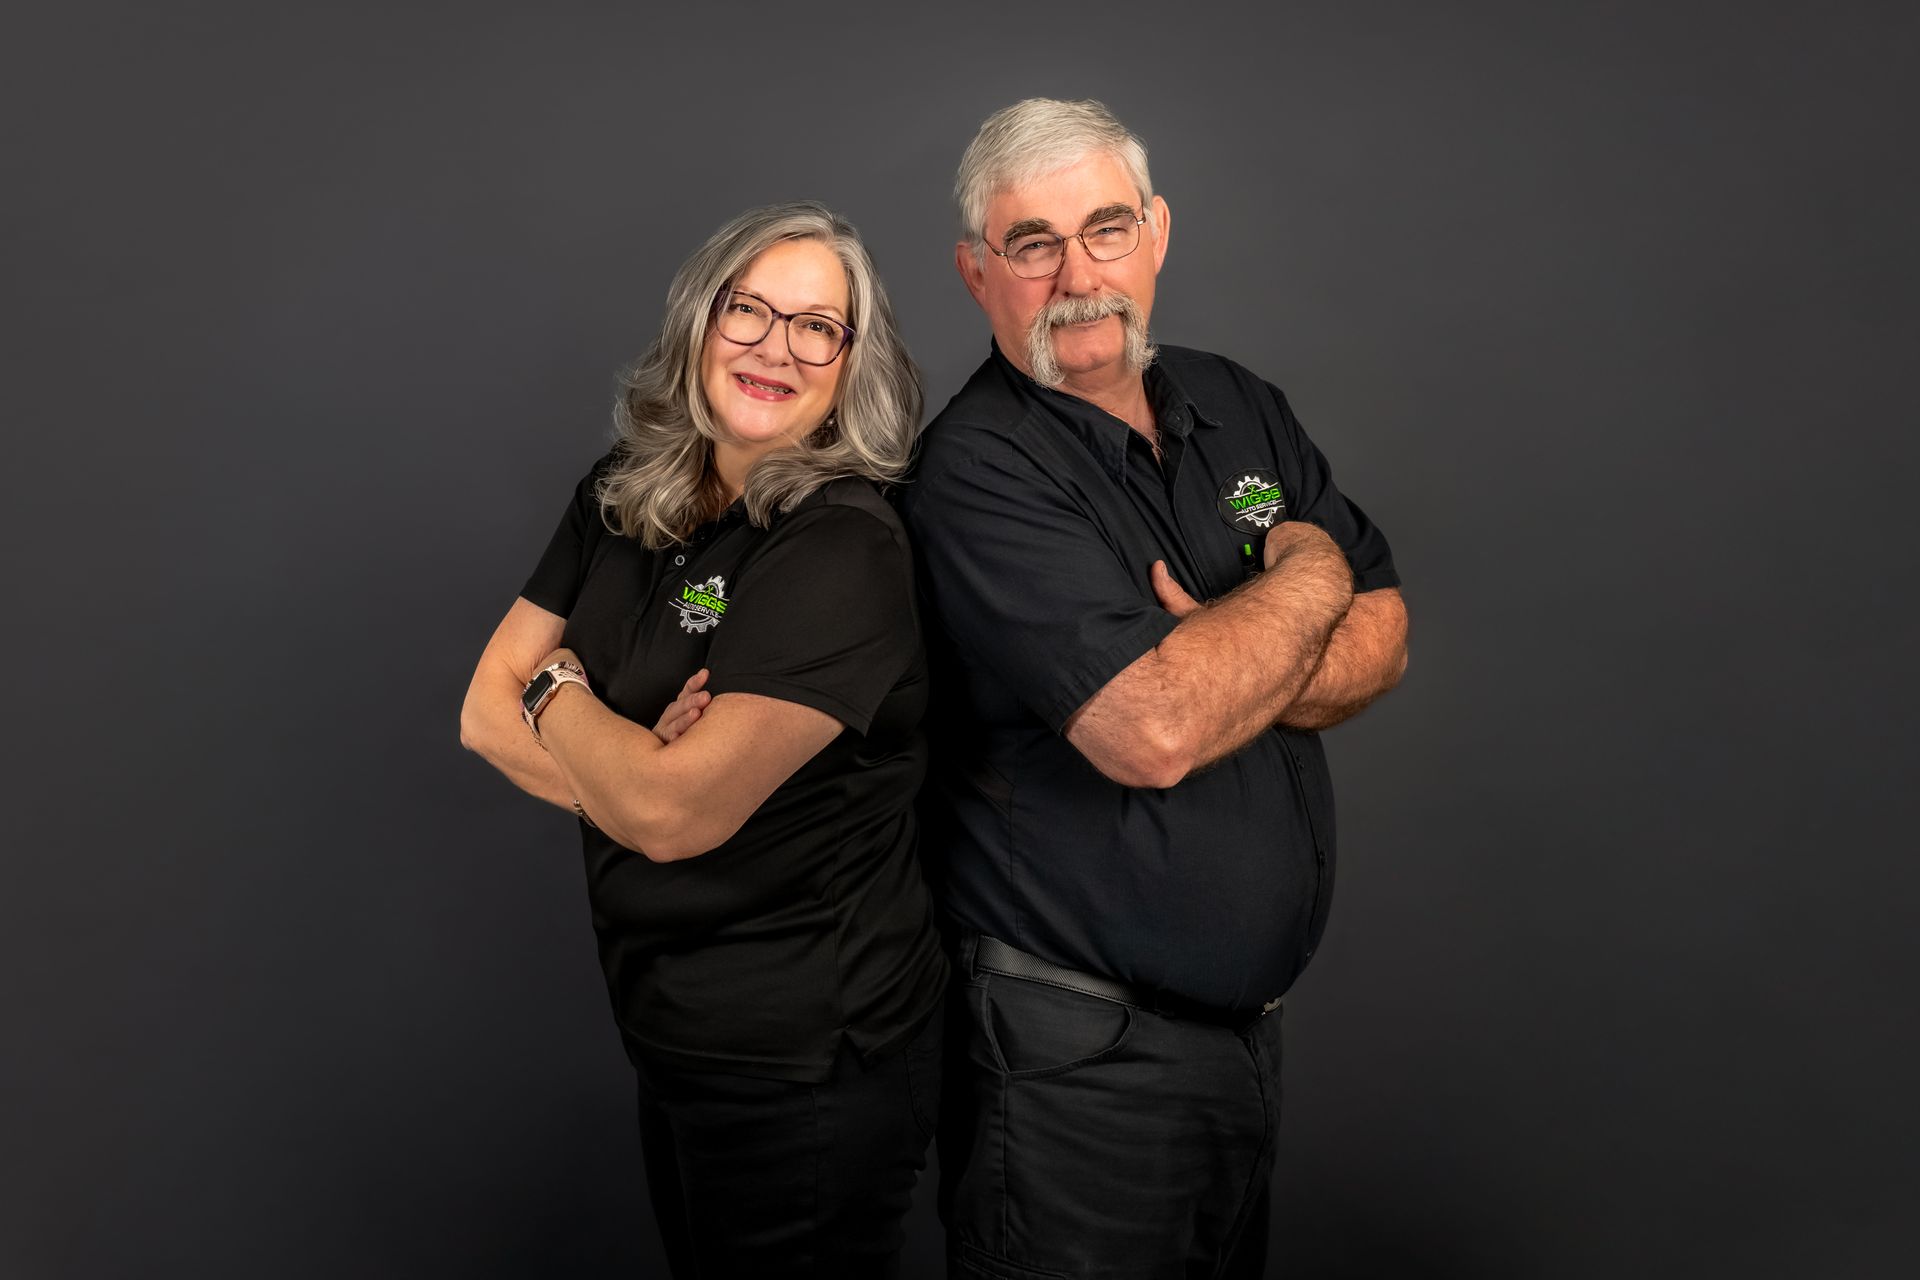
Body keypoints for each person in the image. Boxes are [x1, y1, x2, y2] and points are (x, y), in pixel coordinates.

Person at [900, 99, 1410, 1278]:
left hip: (1238, 1050)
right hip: (1077, 1066)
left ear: (1159, 233)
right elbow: (1157, 727)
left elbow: (1386, 636)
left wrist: (1233, 649)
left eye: (1107, 227)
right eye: (1033, 243)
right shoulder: (975, 471)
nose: (1078, 273)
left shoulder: (1236, 401)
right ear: (978, 272)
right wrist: (1307, 570)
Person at [459, 202, 946, 1279]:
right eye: (751, 310)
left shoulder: (841, 547)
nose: (776, 346)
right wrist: (628, 765)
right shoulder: (621, 493)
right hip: (673, 1031)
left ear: (849, 364)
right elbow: (476, 713)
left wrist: (558, 692)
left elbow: (668, 807)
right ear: (698, 321)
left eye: (818, 326)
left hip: (807, 1061)